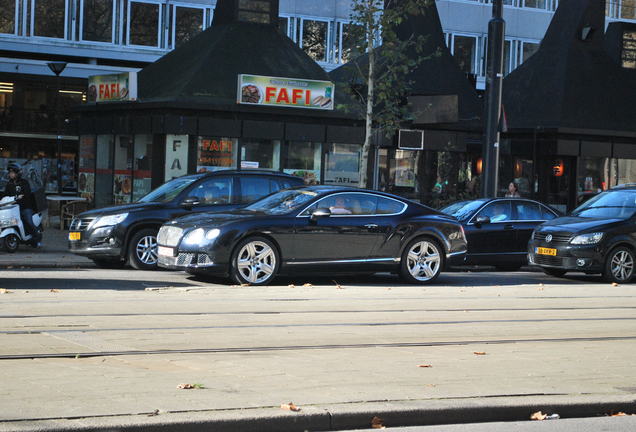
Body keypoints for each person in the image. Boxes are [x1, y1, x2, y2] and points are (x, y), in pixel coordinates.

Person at [3, 163, 41, 247]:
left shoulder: (24, 182)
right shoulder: (9, 184)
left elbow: (27, 194)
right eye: (10, 172)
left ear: (18, 173)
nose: (10, 174)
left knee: (28, 221)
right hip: (13, 208)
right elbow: (5, 195)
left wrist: (21, 198)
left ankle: (36, 238)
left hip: (25, 208)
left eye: (12, 172)